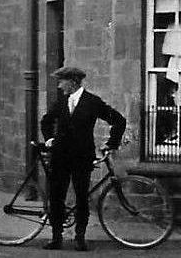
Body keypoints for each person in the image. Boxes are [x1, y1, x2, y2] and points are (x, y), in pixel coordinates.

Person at [39, 66, 125, 251]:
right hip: (60, 156)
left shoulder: (92, 102)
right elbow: (46, 121)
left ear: (73, 82)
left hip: (81, 157)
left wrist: (111, 143)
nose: (60, 86)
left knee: (81, 197)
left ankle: (80, 237)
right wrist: (50, 139)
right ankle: (56, 237)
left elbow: (118, 120)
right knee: (56, 196)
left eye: (62, 81)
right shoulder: (61, 102)